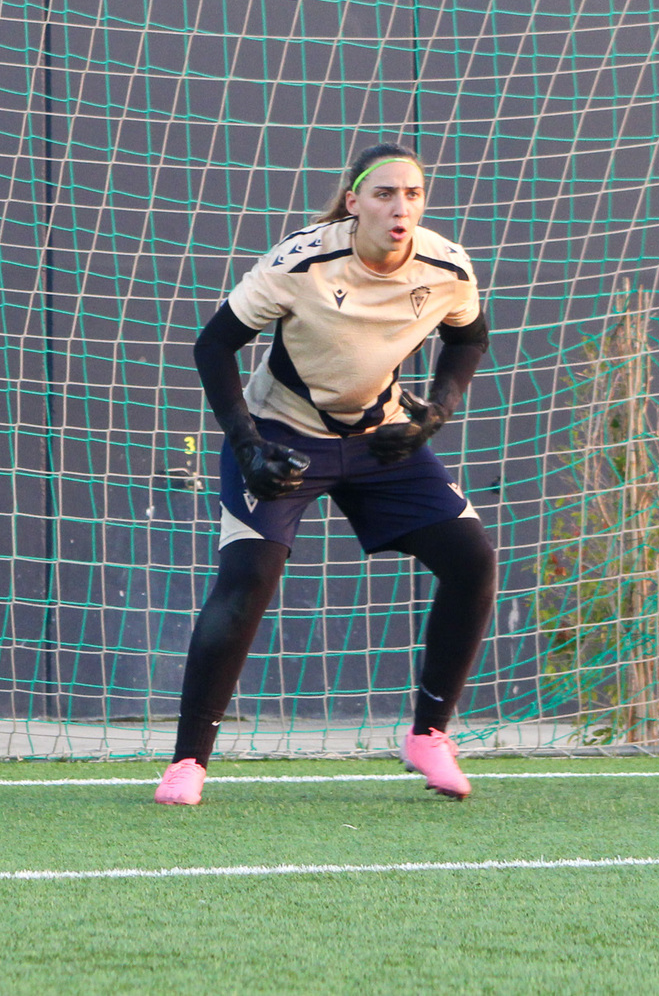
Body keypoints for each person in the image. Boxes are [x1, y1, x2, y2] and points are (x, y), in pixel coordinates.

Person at [155, 143, 495, 805]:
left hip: (379, 441)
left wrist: (436, 412)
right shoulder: (301, 261)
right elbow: (213, 344)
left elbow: (468, 337)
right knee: (248, 577)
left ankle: (429, 736)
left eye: (413, 195)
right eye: (384, 194)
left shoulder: (447, 266)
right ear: (354, 202)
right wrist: (247, 446)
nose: (400, 208)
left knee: (472, 559)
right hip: (279, 437)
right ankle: (188, 762)